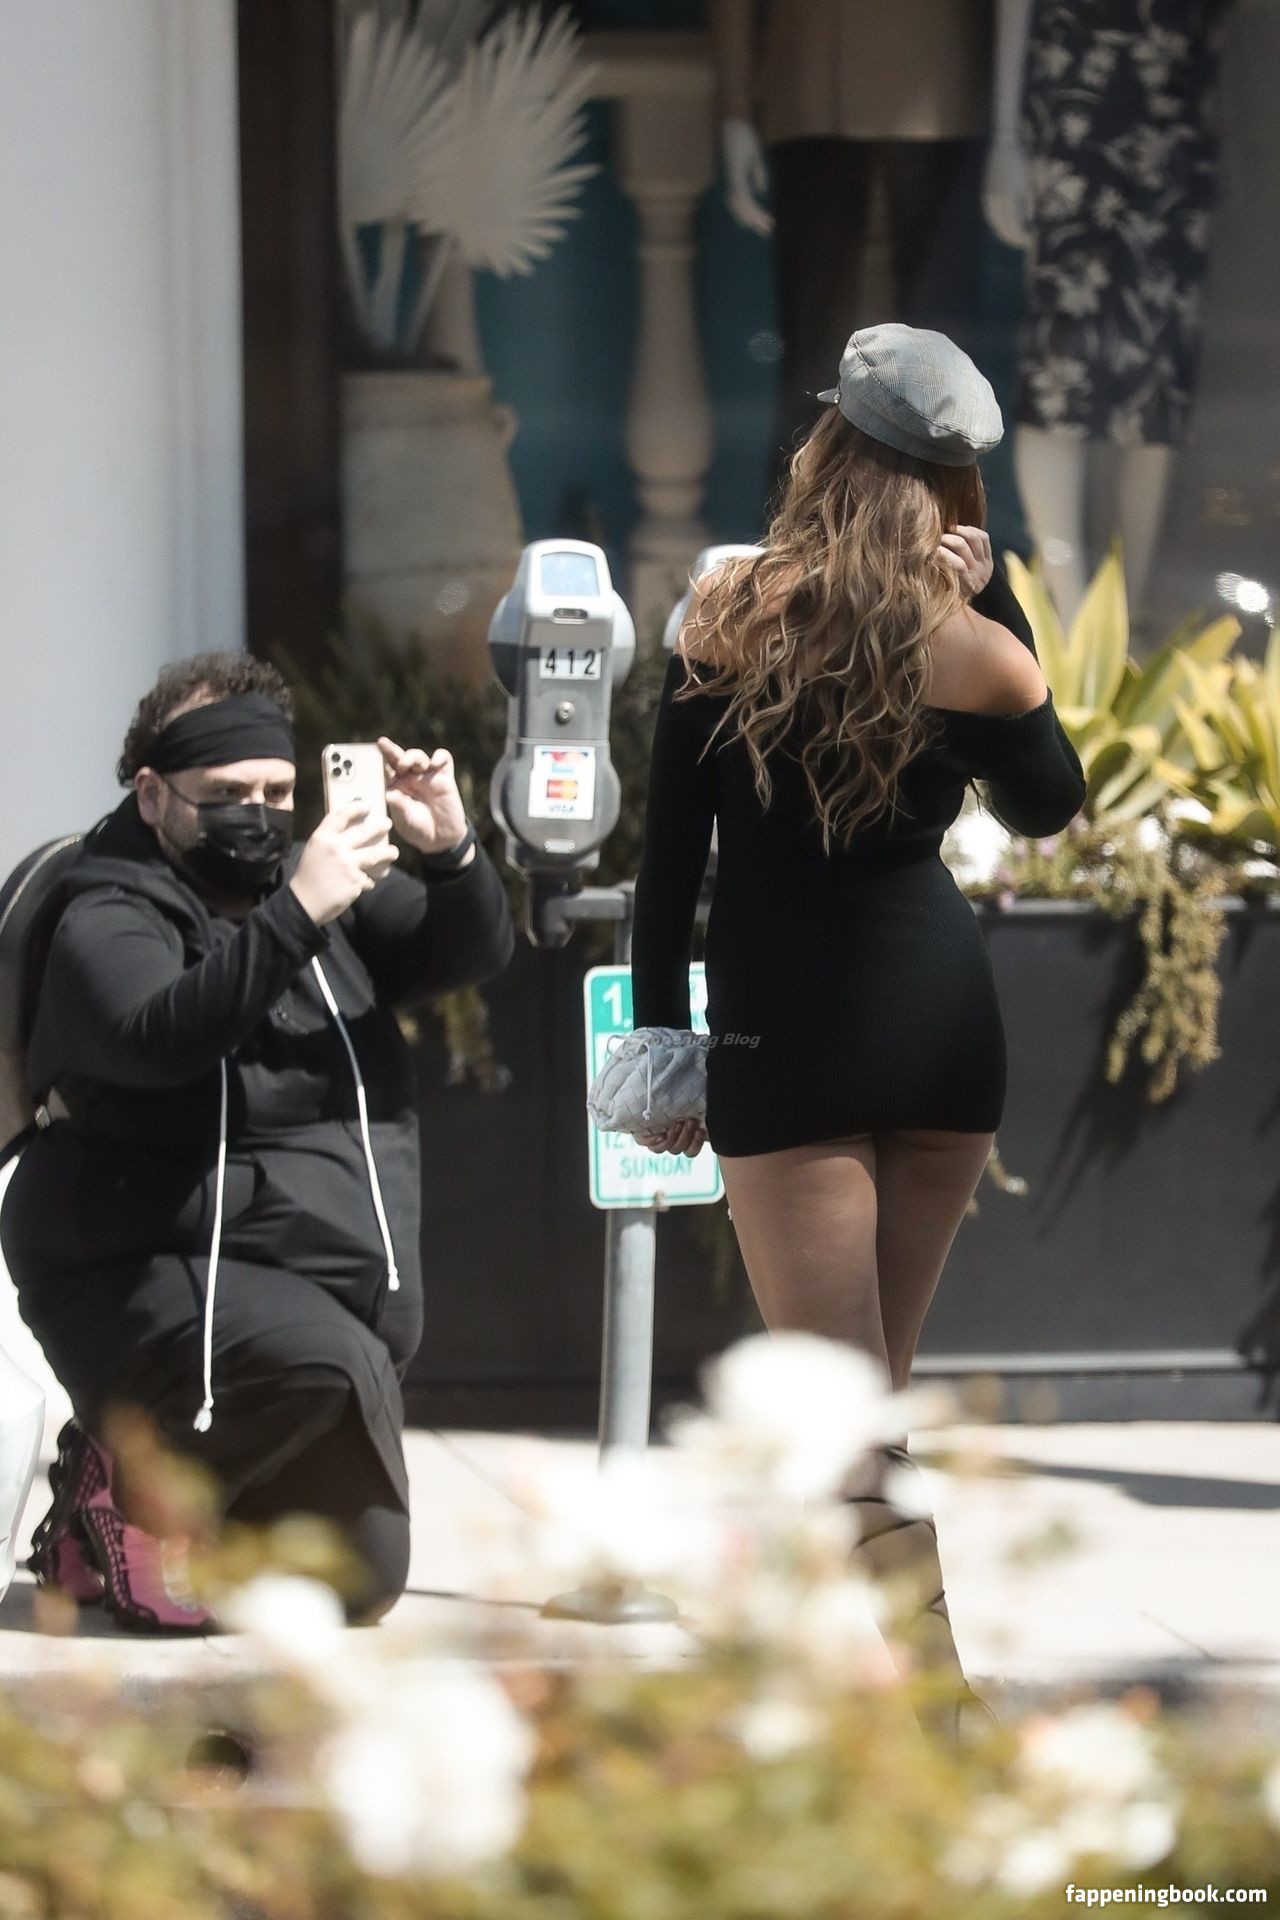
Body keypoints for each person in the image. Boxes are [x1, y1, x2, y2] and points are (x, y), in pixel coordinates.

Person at [628, 323, 1087, 1738]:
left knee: (840, 1415)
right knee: (863, 1396)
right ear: (951, 488)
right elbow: (1050, 807)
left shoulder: (728, 620)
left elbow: (667, 871)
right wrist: (996, 598)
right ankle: (855, 1687)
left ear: (825, 450)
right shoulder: (976, 652)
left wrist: (659, 1051)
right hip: (942, 1034)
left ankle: (929, 1710)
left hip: (792, 1045)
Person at [0, 654, 515, 1630]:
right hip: (147, 1270)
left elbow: (462, 950)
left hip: (314, 1288)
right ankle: (128, 1488)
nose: (259, 813)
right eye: (228, 793)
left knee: (356, 1581)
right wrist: (297, 913)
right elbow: (155, 1035)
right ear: (152, 794)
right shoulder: (108, 905)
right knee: (322, 1360)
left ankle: (152, 1499)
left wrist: (451, 851)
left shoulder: (307, 885)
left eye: (277, 792)